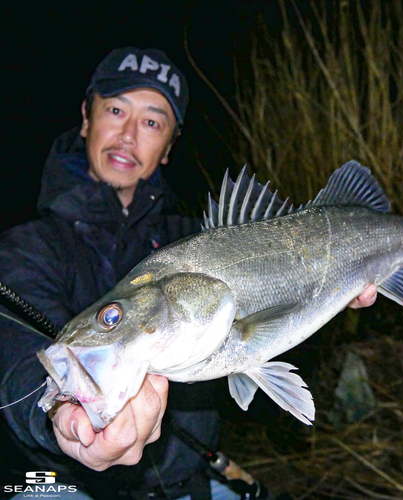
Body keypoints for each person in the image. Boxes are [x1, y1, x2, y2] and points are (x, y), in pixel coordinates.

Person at [0, 47, 377, 499]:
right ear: (86, 117)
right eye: (116, 110)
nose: (127, 135)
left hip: (188, 486)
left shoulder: (192, 236)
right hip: (64, 486)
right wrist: (57, 418)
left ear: (168, 147)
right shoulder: (29, 247)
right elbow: (20, 359)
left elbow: (275, 322)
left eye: (152, 122)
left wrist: (337, 284)